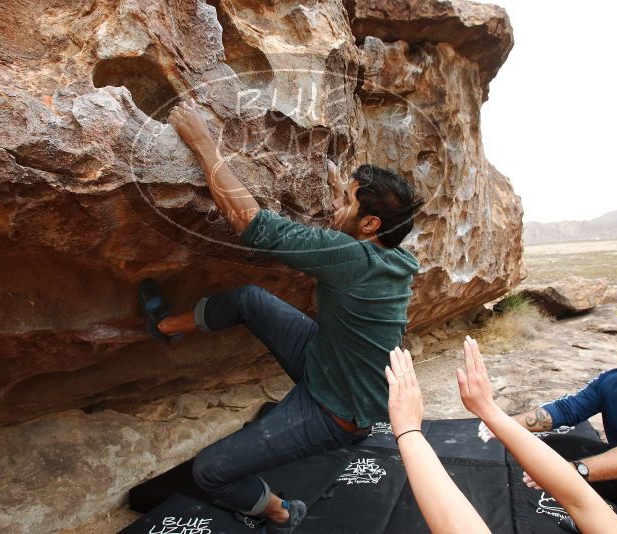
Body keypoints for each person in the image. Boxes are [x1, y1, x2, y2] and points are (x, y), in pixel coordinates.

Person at [141, 100, 419, 533]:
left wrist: (203, 144)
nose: (338, 204)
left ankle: (282, 513)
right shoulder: (393, 256)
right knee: (250, 299)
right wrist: (342, 199)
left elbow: (251, 224)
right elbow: (350, 242)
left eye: (347, 200)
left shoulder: (352, 259)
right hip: (328, 359)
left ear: (370, 224)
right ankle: (165, 328)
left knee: (210, 471)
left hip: (335, 410)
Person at [387, 340, 617, 534]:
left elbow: (459, 526)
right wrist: (490, 412)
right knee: (559, 447)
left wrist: (409, 431)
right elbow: (579, 499)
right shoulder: (614, 381)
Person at [479, 313, 617, 527]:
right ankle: (583, 512)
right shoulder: (611, 381)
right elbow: (567, 409)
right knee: (550, 449)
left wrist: (575, 471)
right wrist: (502, 423)